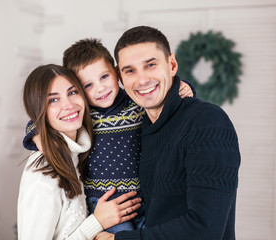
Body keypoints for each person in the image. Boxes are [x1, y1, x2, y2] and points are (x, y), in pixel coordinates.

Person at [23, 39, 195, 233]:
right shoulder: (84, 113)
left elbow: (160, 92)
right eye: (87, 85)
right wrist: (37, 136)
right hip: (103, 202)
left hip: (144, 198)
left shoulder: (136, 102)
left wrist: (184, 87)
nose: (100, 88)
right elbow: (40, 121)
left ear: (117, 73)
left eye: (104, 77)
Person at [95, 26, 241, 240]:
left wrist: (115, 239)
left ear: (172, 65)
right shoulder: (138, 130)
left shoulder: (207, 121)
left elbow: (205, 230)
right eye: (130, 70)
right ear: (120, 78)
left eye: (150, 65)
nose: (142, 80)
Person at [18, 64, 142, 240]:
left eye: (72, 92)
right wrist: (96, 222)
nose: (68, 104)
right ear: (38, 111)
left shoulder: (76, 153)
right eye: (53, 100)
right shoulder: (42, 176)